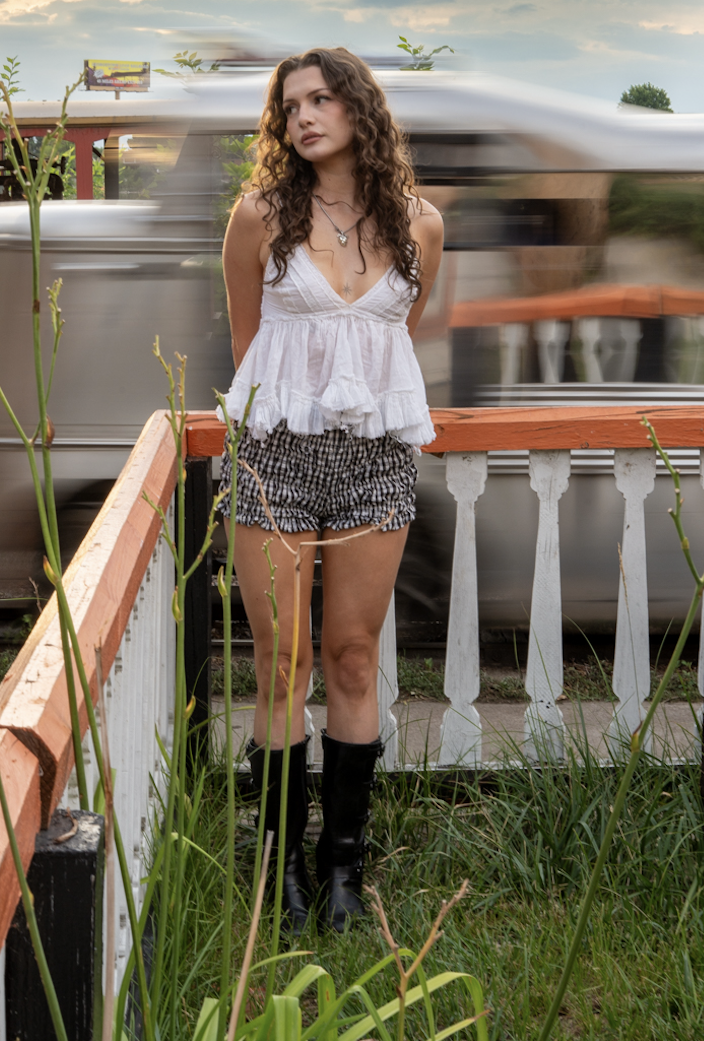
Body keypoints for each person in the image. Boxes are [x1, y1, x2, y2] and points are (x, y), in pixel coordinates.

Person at [218, 46, 443, 934]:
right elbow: (247, 345)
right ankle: (281, 873)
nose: (304, 115)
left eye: (322, 99)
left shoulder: (420, 224)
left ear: (360, 109)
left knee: (353, 658)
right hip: (276, 456)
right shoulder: (259, 216)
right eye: (290, 104)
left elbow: (394, 341)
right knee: (283, 663)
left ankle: (342, 869)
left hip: (377, 458)